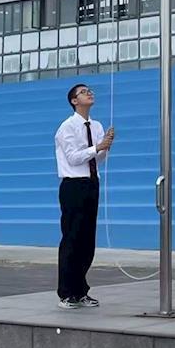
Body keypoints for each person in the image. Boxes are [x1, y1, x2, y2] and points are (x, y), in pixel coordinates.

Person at [54, 84, 114, 309]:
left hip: (91, 183)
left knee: (87, 240)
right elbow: (73, 158)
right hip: (73, 185)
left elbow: (98, 160)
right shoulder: (67, 127)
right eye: (83, 92)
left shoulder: (96, 126)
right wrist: (97, 147)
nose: (89, 93)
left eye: (90, 91)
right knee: (72, 238)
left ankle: (81, 290)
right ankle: (66, 292)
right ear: (74, 101)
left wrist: (105, 147)